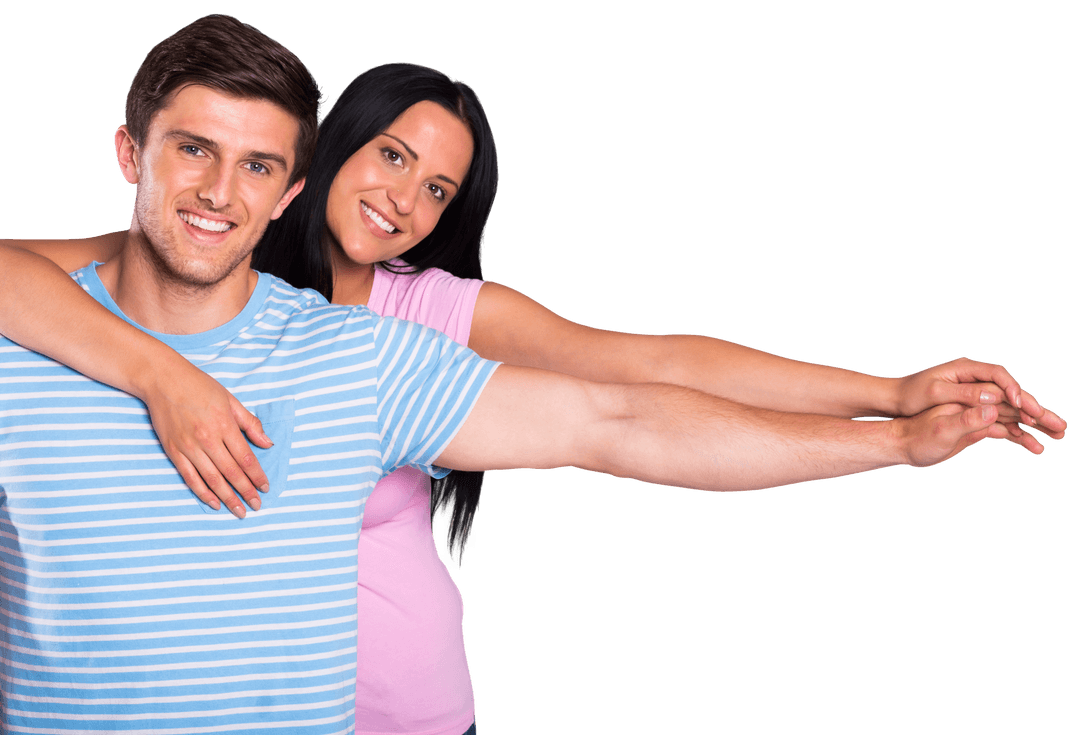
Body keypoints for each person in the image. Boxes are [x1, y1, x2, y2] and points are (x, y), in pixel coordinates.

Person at [0, 14, 1064, 735]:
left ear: (287, 184)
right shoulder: (63, 312)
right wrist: (162, 374)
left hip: (402, 698)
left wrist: (891, 420)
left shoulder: (385, 344)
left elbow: (629, 400)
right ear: (133, 154)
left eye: (437, 187)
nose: (403, 198)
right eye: (391, 156)